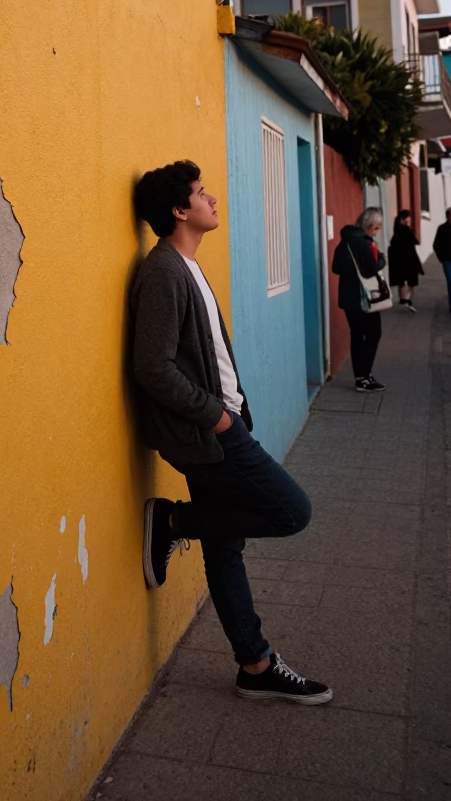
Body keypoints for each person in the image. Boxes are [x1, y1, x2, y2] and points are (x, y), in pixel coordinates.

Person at [130, 160, 332, 706]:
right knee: (293, 511)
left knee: (225, 549)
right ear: (179, 211)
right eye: (200, 193)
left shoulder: (187, 265)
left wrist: (233, 412)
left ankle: (255, 664)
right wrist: (217, 417)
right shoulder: (165, 271)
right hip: (212, 434)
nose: (212, 198)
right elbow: (151, 365)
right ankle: (172, 520)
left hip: (225, 426)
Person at [331, 208, 387, 392]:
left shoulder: (344, 242)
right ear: (369, 226)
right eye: (377, 227)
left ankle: (360, 377)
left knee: (356, 335)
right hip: (365, 299)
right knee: (373, 334)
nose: (377, 231)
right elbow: (371, 269)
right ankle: (365, 377)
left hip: (348, 299)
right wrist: (382, 260)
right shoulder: (364, 244)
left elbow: (335, 268)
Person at [388, 209, 424, 312]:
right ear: (405, 219)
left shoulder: (396, 230)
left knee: (401, 281)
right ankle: (409, 300)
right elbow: (416, 241)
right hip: (409, 259)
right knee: (413, 282)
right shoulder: (406, 230)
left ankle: (403, 300)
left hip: (399, 259)